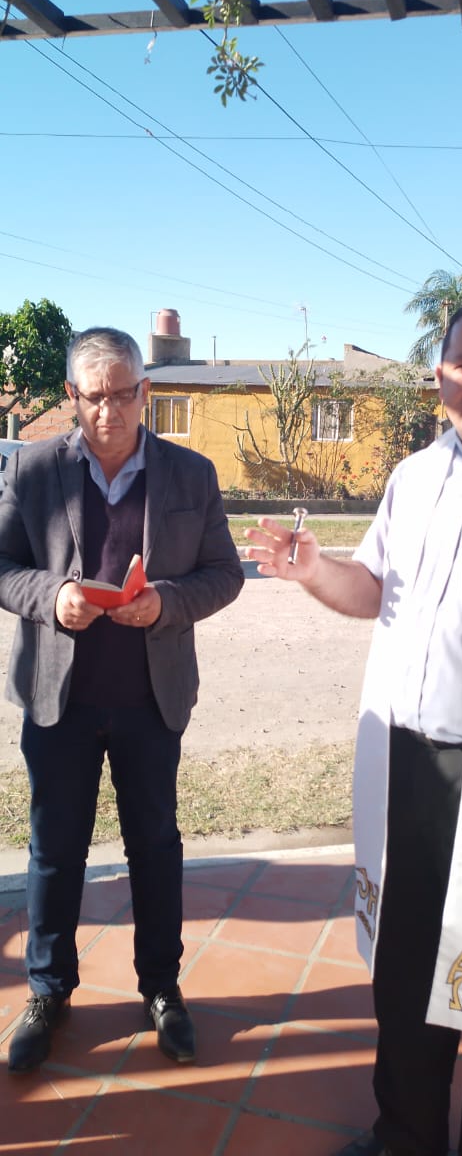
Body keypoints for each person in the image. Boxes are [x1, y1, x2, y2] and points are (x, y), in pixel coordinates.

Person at [245, 299, 462, 1156]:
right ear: (438, 381)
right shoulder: (413, 478)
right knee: (404, 965)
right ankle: (407, 1132)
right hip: (403, 761)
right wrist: (315, 570)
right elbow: (374, 595)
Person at [1, 326, 244, 1073]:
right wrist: (54, 595)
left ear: (145, 392)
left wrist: (167, 601)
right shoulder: (36, 469)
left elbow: (224, 575)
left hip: (150, 700)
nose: (110, 410)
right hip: (60, 699)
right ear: (72, 397)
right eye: (94, 395)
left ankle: (162, 986)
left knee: (156, 846)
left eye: (124, 393)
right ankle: (48, 989)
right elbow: (4, 565)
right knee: (54, 850)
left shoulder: (191, 475)